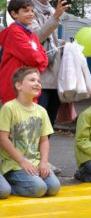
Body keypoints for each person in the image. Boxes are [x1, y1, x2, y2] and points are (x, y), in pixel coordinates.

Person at [0, 68, 61, 197]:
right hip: (14, 163)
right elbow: (3, 138)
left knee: (54, 187)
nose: (37, 83)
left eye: (39, 81)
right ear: (19, 85)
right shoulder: (9, 108)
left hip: (36, 162)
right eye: (32, 80)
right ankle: (10, 184)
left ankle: (28, 180)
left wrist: (44, 162)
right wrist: (22, 161)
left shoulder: (42, 111)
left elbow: (44, 140)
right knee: (39, 189)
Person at [29, 0, 69, 127]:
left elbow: (50, 39)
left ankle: (43, 152)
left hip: (54, 74)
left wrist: (63, 43)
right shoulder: (27, 7)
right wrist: (56, 17)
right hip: (37, 75)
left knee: (49, 123)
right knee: (36, 122)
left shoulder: (52, 10)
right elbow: (36, 37)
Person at [0, 0, 48, 104]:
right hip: (14, 89)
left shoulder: (31, 34)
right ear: (14, 14)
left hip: (29, 87)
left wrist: (38, 62)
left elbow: (44, 57)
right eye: (26, 11)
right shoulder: (14, 32)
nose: (31, 14)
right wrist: (38, 62)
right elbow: (32, 57)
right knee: (16, 119)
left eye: (32, 11)